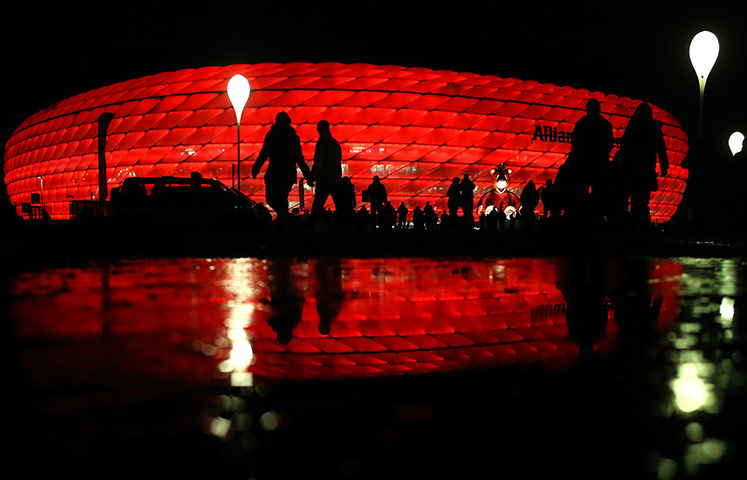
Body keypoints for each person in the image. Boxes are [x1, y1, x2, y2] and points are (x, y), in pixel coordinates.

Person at [252, 112, 312, 225]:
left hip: (275, 173)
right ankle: (285, 219)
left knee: (272, 198)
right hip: (287, 174)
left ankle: (283, 220)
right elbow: (299, 158)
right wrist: (307, 175)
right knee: (281, 198)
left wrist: (256, 167)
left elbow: (264, 153)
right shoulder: (293, 137)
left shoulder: (272, 135)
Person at [617, 102, 668, 229]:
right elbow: (661, 148)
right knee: (643, 197)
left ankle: (631, 222)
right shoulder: (653, 128)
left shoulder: (633, 126)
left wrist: (620, 163)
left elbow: (624, 146)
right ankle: (641, 223)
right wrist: (664, 166)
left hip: (632, 168)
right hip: (646, 169)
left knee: (633, 196)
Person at [569, 98, 615, 225]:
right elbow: (609, 143)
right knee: (598, 192)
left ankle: (582, 217)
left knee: (583, 191)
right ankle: (597, 217)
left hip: (584, 163)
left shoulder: (582, 123)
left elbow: (575, 143)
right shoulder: (605, 124)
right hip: (599, 163)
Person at [309, 120, 343, 227]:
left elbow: (318, 162)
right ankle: (343, 226)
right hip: (335, 178)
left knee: (318, 204)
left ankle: (310, 226)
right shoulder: (334, 143)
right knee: (339, 205)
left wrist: (312, 177)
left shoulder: (322, 143)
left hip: (324, 178)